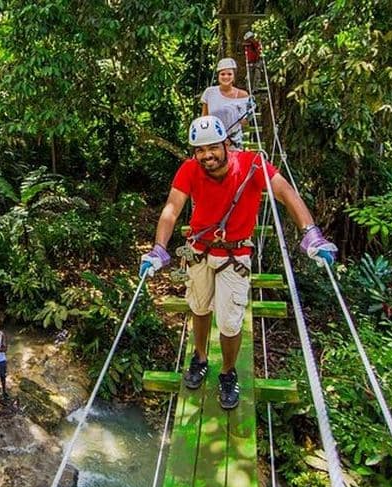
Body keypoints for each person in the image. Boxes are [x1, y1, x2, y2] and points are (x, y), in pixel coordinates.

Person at [139, 116, 338, 410]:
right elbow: (172, 208)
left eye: (213, 148)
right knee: (198, 306)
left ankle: (228, 372)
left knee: (230, 323)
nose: (207, 156)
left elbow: (285, 192)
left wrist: (311, 234)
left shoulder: (253, 165)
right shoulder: (189, 170)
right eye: (200, 150)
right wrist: (158, 248)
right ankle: (200, 357)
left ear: (227, 144)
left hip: (235, 256)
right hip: (200, 250)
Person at [201, 58, 251, 150]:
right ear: (218, 76)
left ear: (234, 76)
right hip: (213, 141)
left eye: (229, 74)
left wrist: (249, 114)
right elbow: (204, 118)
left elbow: (244, 122)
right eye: (222, 74)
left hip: (233, 142)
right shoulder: (209, 92)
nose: (226, 77)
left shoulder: (242, 95)